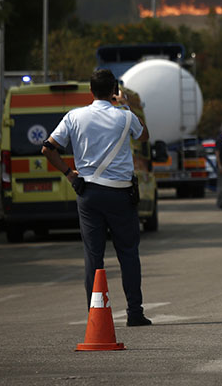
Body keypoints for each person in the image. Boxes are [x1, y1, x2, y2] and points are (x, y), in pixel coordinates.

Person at [41, 69, 152, 327]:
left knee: (94, 256)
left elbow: (48, 148)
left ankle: (96, 316)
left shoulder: (74, 116)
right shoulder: (125, 117)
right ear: (114, 90)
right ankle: (135, 312)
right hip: (121, 194)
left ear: (90, 91)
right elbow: (144, 135)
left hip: (88, 192)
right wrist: (125, 104)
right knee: (128, 253)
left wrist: (70, 174)